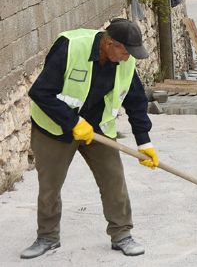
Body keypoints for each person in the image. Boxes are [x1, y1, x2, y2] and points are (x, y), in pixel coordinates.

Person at [21, 18, 158, 259]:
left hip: (98, 128)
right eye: (125, 51)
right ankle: (47, 236)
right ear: (108, 43)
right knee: (49, 187)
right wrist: (73, 122)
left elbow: (135, 100)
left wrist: (144, 142)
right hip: (54, 128)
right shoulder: (71, 47)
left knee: (114, 181)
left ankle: (122, 234)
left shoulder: (126, 60)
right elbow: (40, 91)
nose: (128, 58)